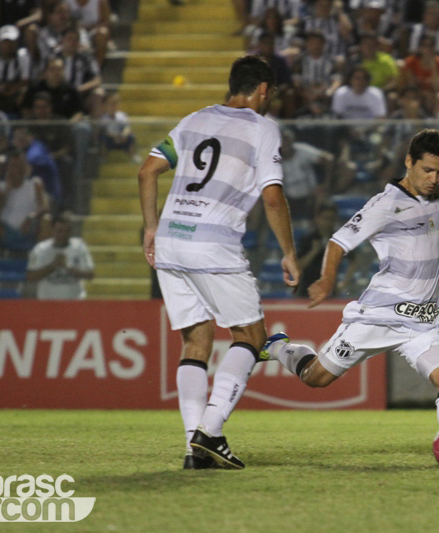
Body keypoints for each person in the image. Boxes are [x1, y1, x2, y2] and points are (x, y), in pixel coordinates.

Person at [261, 129, 439, 464]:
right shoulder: (385, 204)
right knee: (316, 378)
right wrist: (326, 279)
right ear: (409, 162)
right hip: (378, 315)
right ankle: (279, 347)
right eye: (427, 171)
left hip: (422, 322)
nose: (434, 178)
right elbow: (338, 242)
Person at [137, 55, 300, 470]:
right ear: (263, 89)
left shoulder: (192, 120)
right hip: (213, 245)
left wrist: (151, 228)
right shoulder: (262, 128)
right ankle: (210, 430)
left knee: (196, 341)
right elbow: (272, 196)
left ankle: (195, 447)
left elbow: (147, 171)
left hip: (171, 242)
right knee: (252, 335)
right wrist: (289, 252)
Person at [26, 211, 94, 299]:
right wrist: (52, 266)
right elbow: (30, 276)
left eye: (67, 231)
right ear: (52, 230)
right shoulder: (40, 249)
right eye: (59, 231)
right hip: (48, 304)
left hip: (74, 303)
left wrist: (69, 267)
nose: (63, 234)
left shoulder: (79, 247)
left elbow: (90, 275)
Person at [295, 200, 338, 297]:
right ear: (317, 218)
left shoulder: (338, 239)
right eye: (325, 218)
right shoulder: (307, 239)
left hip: (330, 292)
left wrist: (343, 283)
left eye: (332, 219)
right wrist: (314, 252)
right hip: (307, 291)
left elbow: (353, 259)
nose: (328, 223)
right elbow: (297, 267)